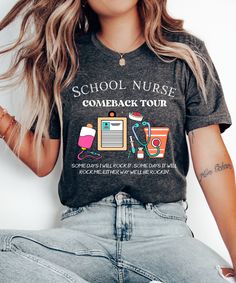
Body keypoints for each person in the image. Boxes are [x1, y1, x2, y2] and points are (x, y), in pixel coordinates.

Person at [0, 0, 235, 282]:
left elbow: (213, 164)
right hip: (82, 236)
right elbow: (42, 160)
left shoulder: (187, 53)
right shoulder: (64, 57)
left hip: (165, 237)